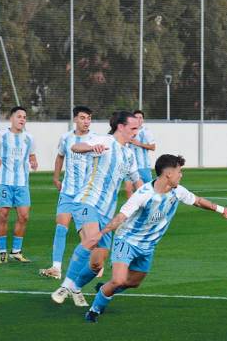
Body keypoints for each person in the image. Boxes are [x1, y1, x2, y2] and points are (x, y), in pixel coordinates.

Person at [82, 154, 227, 322]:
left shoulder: (177, 191)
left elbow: (198, 201)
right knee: (119, 279)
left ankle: (108, 289)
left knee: (133, 283)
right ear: (168, 174)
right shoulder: (143, 194)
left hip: (148, 246)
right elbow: (121, 217)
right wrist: (101, 233)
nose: (181, 175)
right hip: (127, 241)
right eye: (179, 171)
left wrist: (222, 210)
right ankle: (94, 311)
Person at [50, 111, 143, 308]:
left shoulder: (129, 154)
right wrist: (91, 147)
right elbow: (76, 146)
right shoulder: (103, 141)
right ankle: (65, 286)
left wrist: (148, 197)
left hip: (108, 213)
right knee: (91, 239)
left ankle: (75, 287)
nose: (137, 131)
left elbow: (137, 181)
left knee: (96, 264)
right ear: (121, 126)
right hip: (87, 201)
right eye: (133, 127)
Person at [39, 106, 96, 280]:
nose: (86, 121)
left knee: (87, 236)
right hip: (68, 192)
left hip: (85, 195)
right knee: (61, 227)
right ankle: (56, 268)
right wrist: (56, 178)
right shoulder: (66, 138)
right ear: (75, 120)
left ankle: (93, 266)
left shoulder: (95, 140)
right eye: (83, 118)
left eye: (88, 118)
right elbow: (60, 156)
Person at [0, 106, 38, 264]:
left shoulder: (29, 138)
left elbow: (32, 155)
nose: (22, 119)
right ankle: (2, 252)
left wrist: (34, 162)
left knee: (24, 216)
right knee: (3, 215)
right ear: (12, 118)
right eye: (19, 116)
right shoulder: (0, 135)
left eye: (24, 117)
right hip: (4, 182)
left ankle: (16, 251)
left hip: (22, 183)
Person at [125, 110, 156, 198]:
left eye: (140, 118)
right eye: (136, 117)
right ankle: (130, 210)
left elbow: (153, 147)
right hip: (129, 166)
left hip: (143, 166)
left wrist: (139, 144)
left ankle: (150, 208)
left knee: (148, 190)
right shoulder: (127, 131)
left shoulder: (146, 131)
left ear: (143, 120)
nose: (138, 119)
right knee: (128, 189)